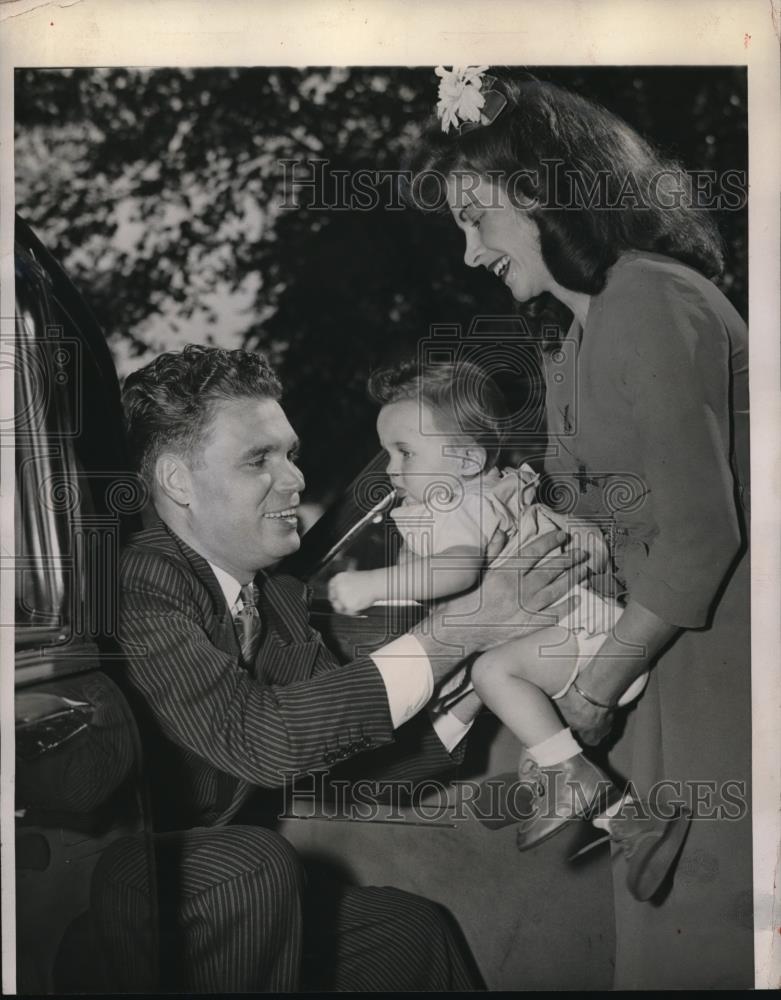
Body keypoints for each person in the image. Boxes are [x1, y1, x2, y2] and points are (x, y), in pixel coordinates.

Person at [408, 69, 751, 988]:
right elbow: (608, 516)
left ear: (539, 192)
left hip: (714, 664)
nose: (470, 253)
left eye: (476, 218)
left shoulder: (649, 296)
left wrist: (591, 695)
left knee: (709, 942)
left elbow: (697, 538)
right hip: (659, 663)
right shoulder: (575, 334)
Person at [108, 343, 587, 992]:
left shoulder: (272, 599)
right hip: (110, 893)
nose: (295, 480)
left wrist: (476, 672)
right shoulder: (143, 580)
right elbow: (265, 743)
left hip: (229, 884)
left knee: (407, 933)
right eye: (258, 459)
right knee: (251, 867)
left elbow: (362, 777)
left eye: (290, 454)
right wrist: (462, 626)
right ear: (176, 481)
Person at [328, 357, 687, 902]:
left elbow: (459, 571)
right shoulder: (458, 500)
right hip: (563, 634)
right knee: (526, 725)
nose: (391, 471)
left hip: (582, 632)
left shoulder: (459, 506)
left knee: (494, 672)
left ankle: (576, 783)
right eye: (389, 455)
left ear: (468, 459)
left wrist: (374, 584)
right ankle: (632, 823)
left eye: (405, 453)